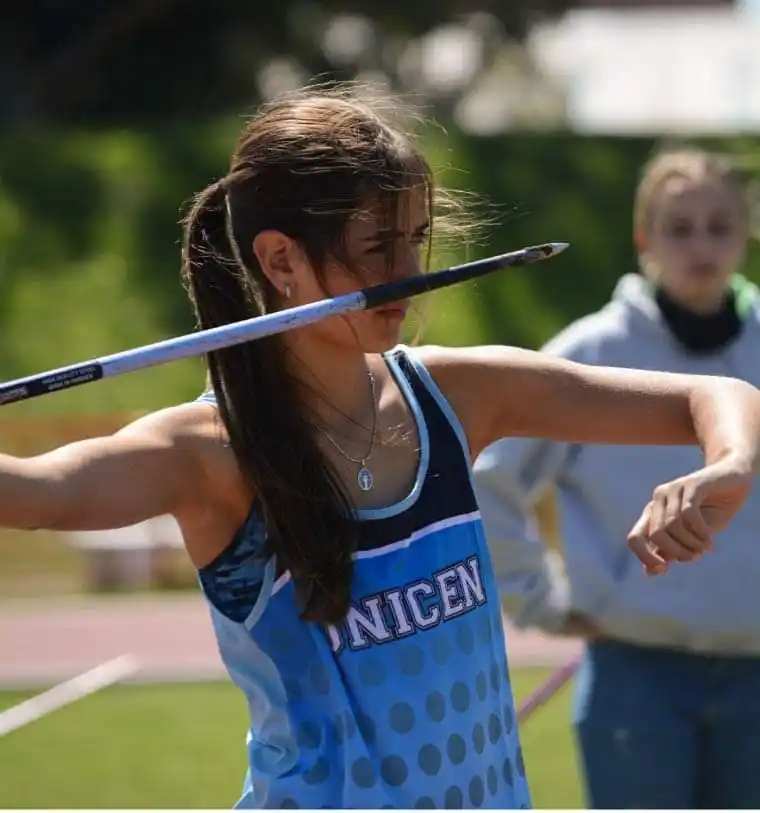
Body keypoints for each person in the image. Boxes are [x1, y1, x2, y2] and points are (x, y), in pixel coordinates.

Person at [1, 92, 759, 810]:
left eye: (416, 240)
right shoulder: (207, 452)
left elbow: (716, 396)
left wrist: (727, 464)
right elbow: (37, 492)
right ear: (282, 261)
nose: (410, 273)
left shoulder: (456, 394)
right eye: (376, 246)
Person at [473, 145, 760, 809]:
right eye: (679, 228)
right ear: (643, 239)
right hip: (636, 673)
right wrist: (538, 598)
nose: (701, 245)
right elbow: (493, 477)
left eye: (720, 226)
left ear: (744, 235)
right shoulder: (591, 354)